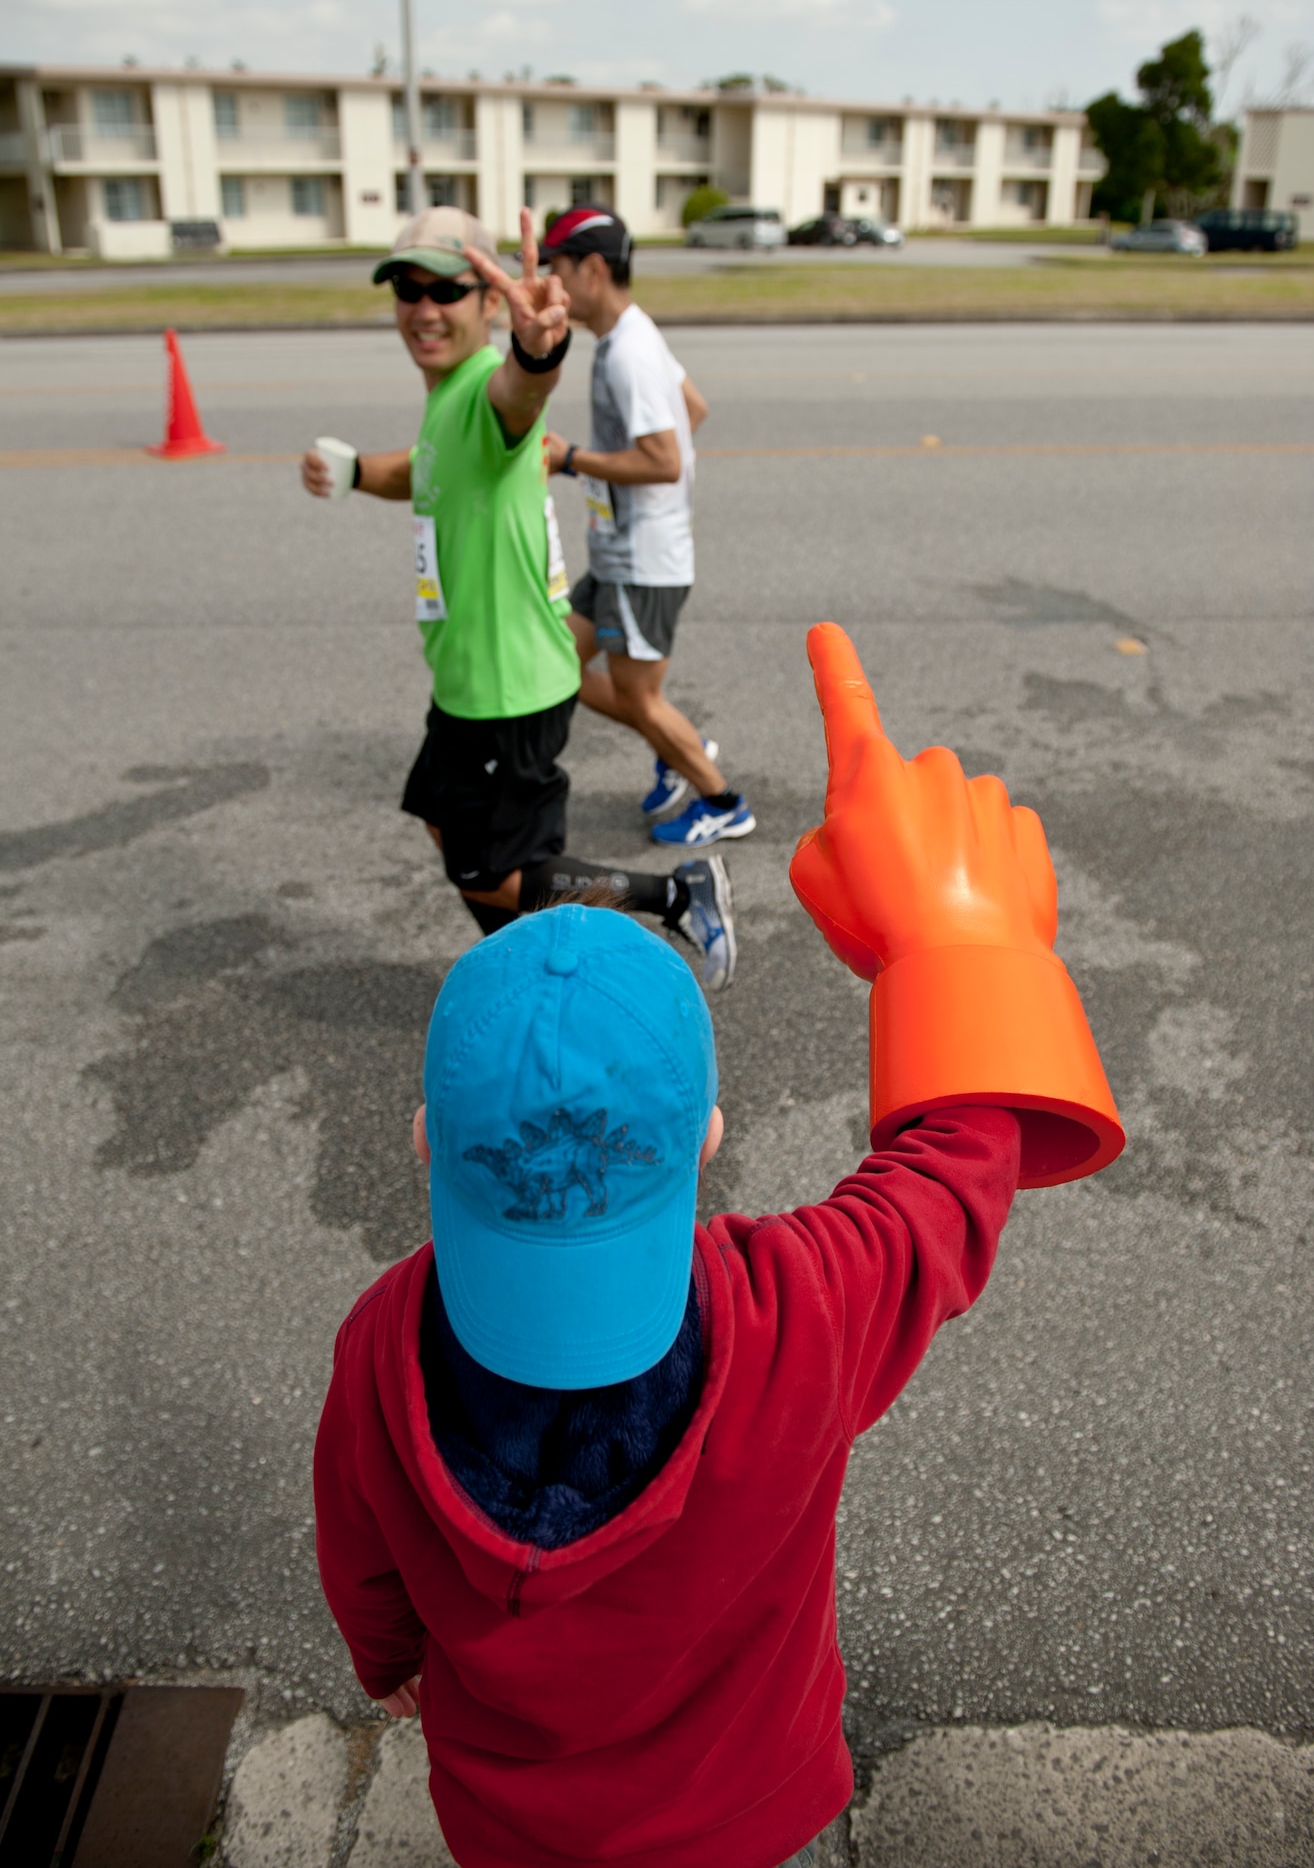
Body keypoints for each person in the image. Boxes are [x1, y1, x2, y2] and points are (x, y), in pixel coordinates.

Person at [312, 624, 1116, 1868]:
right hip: (752, 1814)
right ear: (707, 1139)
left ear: (426, 1138)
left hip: (512, 1826)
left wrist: (389, 1665)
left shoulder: (381, 1348)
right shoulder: (794, 1314)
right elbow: (952, 1180)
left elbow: (360, 1554)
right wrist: (965, 951)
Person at [300, 204, 736, 989]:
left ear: (489, 303)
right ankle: (528, 967)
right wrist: (359, 472)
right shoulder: (448, 399)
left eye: (448, 290)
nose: (425, 308)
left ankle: (670, 895)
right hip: (471, 681)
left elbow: (518, 394)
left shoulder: (483, 392)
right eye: (407, 288)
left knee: (491, 867)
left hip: (506, 692)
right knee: (448, 824)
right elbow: (427, 467)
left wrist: (539, 351)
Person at [538, 206, 756, 846]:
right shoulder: (634, 333)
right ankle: (675, 743)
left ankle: (721, 799)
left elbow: (662, 458)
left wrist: (572, 459)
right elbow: (695, 407)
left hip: (642, 561)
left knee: (639, 698)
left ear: (594, 270)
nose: (552, 282)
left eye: (558, 268)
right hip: (620, 552)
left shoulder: (628, 352)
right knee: (556, 660)